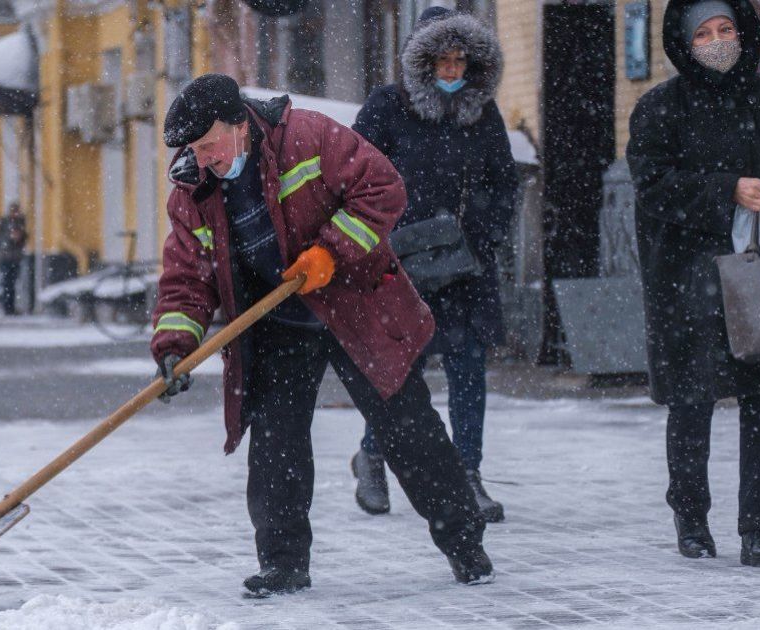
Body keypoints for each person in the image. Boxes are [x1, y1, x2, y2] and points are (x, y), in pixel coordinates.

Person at [151, 73, 493, 597]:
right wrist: (175, 345)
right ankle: (283, 564)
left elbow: (383, 188)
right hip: (277, 321)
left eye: (209, 144)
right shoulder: (193, 193)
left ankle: (465, 545)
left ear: (239, 123)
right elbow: (186, 278)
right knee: (275, 444)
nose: (204, 159)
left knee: (406, 427)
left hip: (352, 302)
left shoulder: (308, 138)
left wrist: (331, 251)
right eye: (193, 150)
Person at [627, 0, 760, 568]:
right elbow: (653, 184)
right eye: (704, 34)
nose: (718, 41)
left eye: (726, 29)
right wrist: (728, 190)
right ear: (683, 43)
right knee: (691, 403)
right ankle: (691, 521)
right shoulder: (659, 108)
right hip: (686, 279)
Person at [351, 7, 518, 522]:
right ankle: (374, 457)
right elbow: (354, 173)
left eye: (460, 62)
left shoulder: (481, 112)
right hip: (400, 264)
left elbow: (503, 183)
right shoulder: (388, 106)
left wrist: (479, 233)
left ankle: (468, 474)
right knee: (404, 368)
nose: (452, 72)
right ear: (422, 61)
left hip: (465, 265)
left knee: (469, 367)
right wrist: (383, 237)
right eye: (442, 62)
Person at [0, 202, 27, 315]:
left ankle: (11, 307)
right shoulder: (3, 222)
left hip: (16, 257)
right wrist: (10, 238)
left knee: (13, 283)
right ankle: (7, 308)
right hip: (6, 258)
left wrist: (19, 238)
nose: (15, 214)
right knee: (7, 283)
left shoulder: (20, 222)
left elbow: (24, 238)